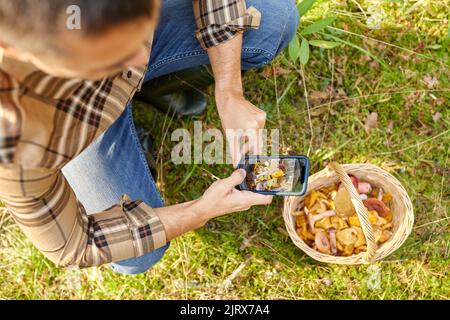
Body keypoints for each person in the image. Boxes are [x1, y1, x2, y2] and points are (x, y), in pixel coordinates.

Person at [0, 0, 299, 274]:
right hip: (74, 129)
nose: (135, 59)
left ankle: (154, 87)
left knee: (275, 22)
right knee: (138, 255)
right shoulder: (13, 143)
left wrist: (229, 91)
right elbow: (76, 243)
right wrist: (200, 210)